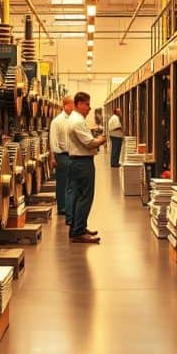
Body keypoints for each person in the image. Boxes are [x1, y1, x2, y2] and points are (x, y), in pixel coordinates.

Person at [65, 91, 106, 243]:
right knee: (85, 197)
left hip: (78, 162)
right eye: (87, 104)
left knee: (77, 196)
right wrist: (101, 139)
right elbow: (89, 143)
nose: (89, 108)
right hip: (82, 163)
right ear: (79, 104)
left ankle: (77, 228)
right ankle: (78, 231)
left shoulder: (76, 119)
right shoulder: (77, 121)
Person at [49, 95, 74, 222]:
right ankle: (62, 207)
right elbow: (53, 140)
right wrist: (54, 157)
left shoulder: (72, 119)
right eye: (72, 105)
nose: (73, 107)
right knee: (62, 182)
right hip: (62, 155)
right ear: (66, 105)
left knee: (70, 183)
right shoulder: (57, 121)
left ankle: (68, 206)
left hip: (72, 154)